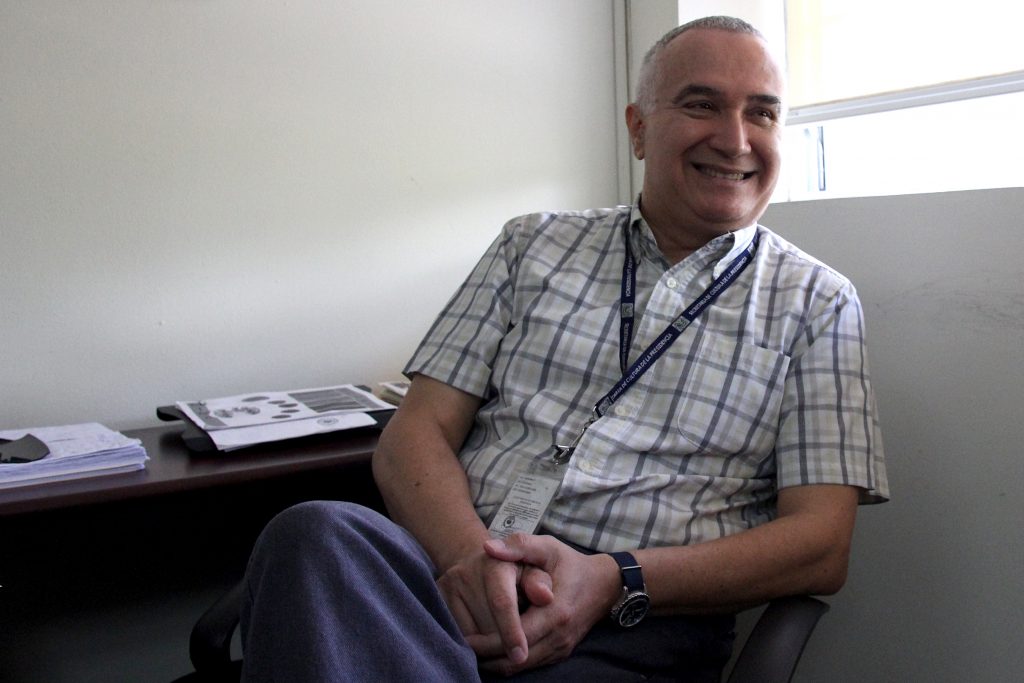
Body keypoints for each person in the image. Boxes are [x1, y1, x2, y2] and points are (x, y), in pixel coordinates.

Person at [239, 15, 888, 682]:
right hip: (449, 581)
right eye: (701, 105)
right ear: (639, 128)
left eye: (762, 113)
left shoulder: (819, 303)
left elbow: (820, 545)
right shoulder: (531, 244)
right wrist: (474, 561)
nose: (735, 139)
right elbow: (416, 432)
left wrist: (614, 578)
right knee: (312, 532)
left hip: (630, 625)